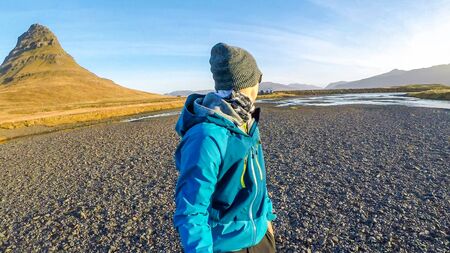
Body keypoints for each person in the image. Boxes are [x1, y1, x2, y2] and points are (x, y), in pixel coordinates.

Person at [173, 42, 277, 253]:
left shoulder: (246, 122)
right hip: (226, 246)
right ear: (248, 83)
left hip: (260, 239)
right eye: (258, 79)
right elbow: (191, 211)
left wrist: (267, 220)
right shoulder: (206, 136)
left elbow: (258, 180)